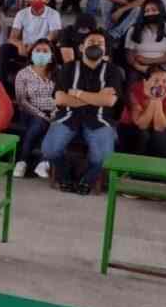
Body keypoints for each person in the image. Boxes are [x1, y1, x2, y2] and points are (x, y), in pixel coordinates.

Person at [41, 29, 123, 195]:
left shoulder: (113, 71)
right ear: (81, 47)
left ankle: (88, 180)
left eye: (100, 43)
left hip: (100, 120)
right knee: (49, 150)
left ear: (106, 49)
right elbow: (60, 99)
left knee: (103, 158)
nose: (96, 45)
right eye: (91, 42)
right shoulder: (68, 68)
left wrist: (77, 93)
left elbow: (109, 101)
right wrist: (96, 97)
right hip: (68, 116)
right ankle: (64, 175)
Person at [13, 39, 57, 179]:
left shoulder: (58, 73)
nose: (41, 54)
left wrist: (55, 112)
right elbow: (21, 101)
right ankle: (24, 161)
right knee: (39, 123)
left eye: (45, 51)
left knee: (55, 126)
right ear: (31, 54)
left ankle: (40, 162)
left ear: (51, 56)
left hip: (55, 112)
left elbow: (63, 95)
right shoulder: (23, 74)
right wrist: (42, 115)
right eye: (37, 51)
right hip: (30, 112)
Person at [119, 65, 166, 158]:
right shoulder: (135, 89)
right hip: (131, 126)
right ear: (145, 81)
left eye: (165, 81)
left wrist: (157, 99)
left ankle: (160, 171)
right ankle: (133, 169)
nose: (160, 84)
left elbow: (159, 127)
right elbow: (142, 125)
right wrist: (153, 98)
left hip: (159, 127)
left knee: (159, 138)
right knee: (143, 136)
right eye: (156, 80)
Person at [0, 0, 62, 78]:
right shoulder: (21, 13)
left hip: (43, 48)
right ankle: (2, 81)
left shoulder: (53, 14)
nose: (37, 0)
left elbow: (53, 35)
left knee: (56, 50)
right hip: (25, 48)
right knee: (4, 49)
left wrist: (34, 46)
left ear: (47, 0)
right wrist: (19, 45)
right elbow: (12, 37)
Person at [123, 0, 166, 84]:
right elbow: (129, 56)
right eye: (146, 11)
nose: (150, 13)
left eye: (154, 10)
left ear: (161, 11)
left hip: (162, 66)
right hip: (139, 66)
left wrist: (148, 61)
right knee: (132, 80)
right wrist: (144, 68)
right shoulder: (133, 29)